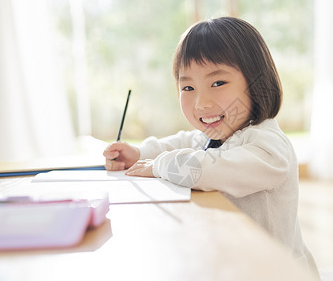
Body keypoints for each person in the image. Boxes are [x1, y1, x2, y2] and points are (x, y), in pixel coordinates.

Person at [103, 17, 320, 280]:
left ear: (256, 82)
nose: (202, 103)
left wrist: (159, 165)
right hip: (230, 262)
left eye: (218, 83)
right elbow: (183, 142)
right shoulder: (219, 135)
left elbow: (208, 168)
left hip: (274, 271)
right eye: (188, 87)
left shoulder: (269, 147)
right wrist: (139, 154)